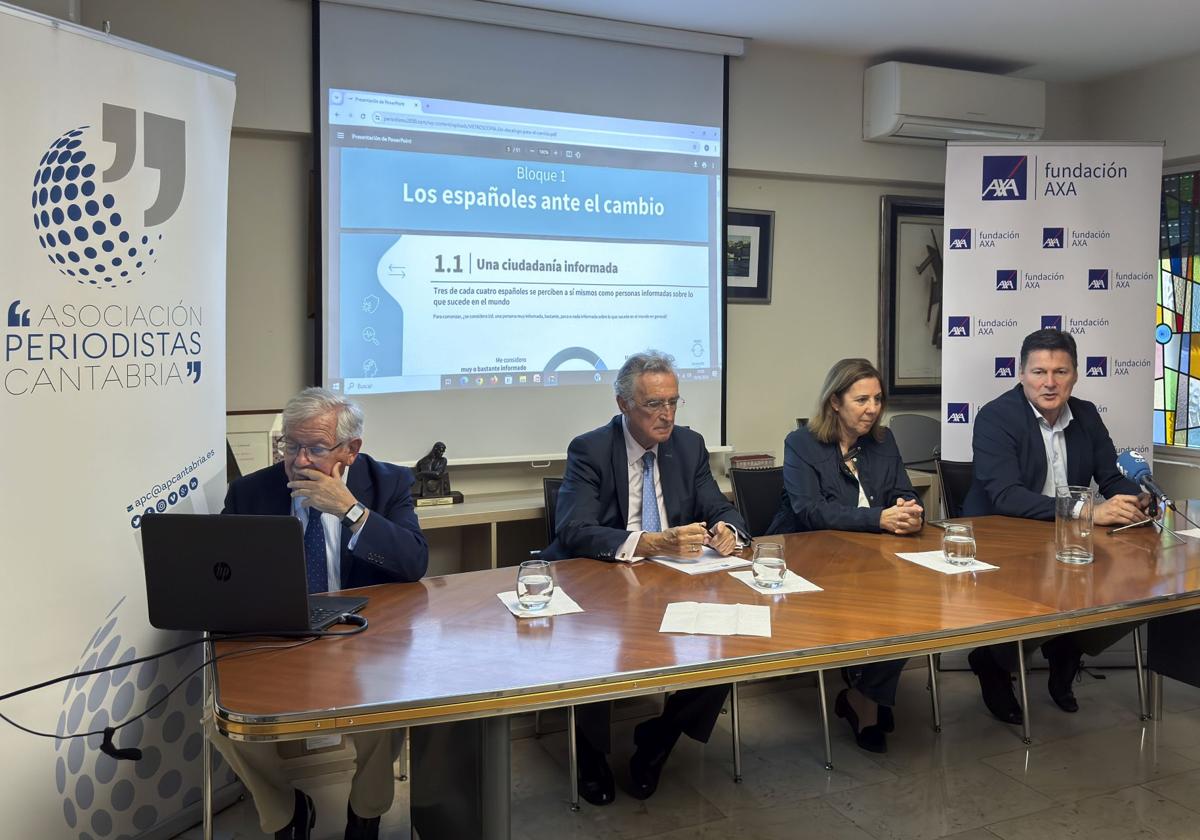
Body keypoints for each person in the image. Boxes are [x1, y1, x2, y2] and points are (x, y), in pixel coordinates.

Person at [212, 387, 429, 840]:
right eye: (290, 446)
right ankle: (287, 813)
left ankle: (365, 812)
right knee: (218, 722)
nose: (300, 461)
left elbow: (413, 563)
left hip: (361, 636)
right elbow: (225, 578)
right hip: (278, 634)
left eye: (314, 448)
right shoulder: (251, 493)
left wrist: (350, 511)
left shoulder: (387, 483)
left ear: (351, 450)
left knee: (384, 715)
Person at [541, 350, 749, 805]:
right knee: (593, 644)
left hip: (673, 579)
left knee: (729, 641)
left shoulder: (689, 445)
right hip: (603, 576)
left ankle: (659, 738)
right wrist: (653, 542)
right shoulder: (591, 448)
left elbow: (719, 505)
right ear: (623, 404)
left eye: (673, 402)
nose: (666, 415)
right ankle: (592, 754)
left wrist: (727, 530)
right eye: (654, 404)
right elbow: (573, 529)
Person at [962, 328, 1148, 724]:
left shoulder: (1086, 413)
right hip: (1005, 539)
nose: (1049, 383)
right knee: (1038, 587)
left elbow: (1110, 479)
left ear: (1076, 374)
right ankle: (993, 661)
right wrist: (1088, 513)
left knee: (1133, 585)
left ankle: (1068, 648)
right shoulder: (996, 416)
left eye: (1060, 372)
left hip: (1069, 537)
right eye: (1039, 372)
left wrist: (1136, 496)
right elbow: (1006, 497)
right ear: (1021, 373)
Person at [766, 358, 922, 753]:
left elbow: (905, 490)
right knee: (885, 609)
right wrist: (879, 518)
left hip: (876, 559)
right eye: (861, 399)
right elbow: (809, 510)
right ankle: (867, 700)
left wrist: (910, 510)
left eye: (878, 399)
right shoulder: (801, 443)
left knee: (915, 611)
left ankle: (864, 695)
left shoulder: (883, 442)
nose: (872, 408)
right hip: (811, 561)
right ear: (835, 401)